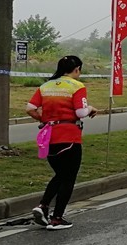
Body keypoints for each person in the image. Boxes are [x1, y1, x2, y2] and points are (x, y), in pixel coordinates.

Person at [25, 55, 99, 230]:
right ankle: (57, 218)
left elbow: (30, 108)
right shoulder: (77, 86)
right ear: (77, 69)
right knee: (69, 178)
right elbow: (81, 112)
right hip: (69, 137)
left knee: (60, 175)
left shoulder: (46, 86)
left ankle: (43, 206)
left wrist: (45, 119)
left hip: (49, 136)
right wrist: (91, 108)